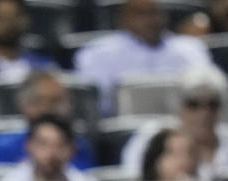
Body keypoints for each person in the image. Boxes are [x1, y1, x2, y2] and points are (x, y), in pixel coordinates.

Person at [120, 65, 228, 181]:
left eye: (213, 104)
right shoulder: (152, 137)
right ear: (178, 107)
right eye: (193, 104)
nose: (204, 113)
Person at [74, 0, 212, 117]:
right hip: (125, 130)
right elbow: (99, 105)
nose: (151, 20)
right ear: (123, 19)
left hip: (183, 124)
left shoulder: (191, 49)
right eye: (141, 14)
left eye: (155, 13)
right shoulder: (97, 53)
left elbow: (207, 92)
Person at [0, 70, 96, 170]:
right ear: (28, 105)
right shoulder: (3, 146)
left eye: (64, 101)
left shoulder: (78, 144)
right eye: (53, 101)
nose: (63, 109)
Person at [0, 114, 97, 181]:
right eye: (43, 144)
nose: (51, 152)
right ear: (28, 145)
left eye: (59, 145)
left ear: (71, 149)